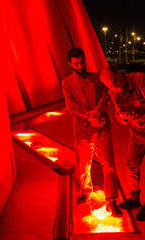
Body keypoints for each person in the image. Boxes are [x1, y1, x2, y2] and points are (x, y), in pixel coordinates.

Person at [100, 65, 145, 221]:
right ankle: (134, 198)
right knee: (132, 164)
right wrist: (124, 116)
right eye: (110, 86)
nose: (115, 87)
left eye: (115, 82)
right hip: (137, 129)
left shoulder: (140, 79)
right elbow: (121, 119)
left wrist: (132, 111)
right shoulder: (113, 91)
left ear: (119, 73)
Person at [61, 48, 122, 217]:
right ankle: (86, 192)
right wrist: (89, 115)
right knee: (83, 165)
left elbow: (105, 95)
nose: (80, 66)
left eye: (82, 62)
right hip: (82, 130)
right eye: (76, 63)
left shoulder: (97, 78)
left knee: (109, 165)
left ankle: (111, 200)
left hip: (102, 127)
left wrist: (97, 111)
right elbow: (71, 105)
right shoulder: (67, 83)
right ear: (70, 64)